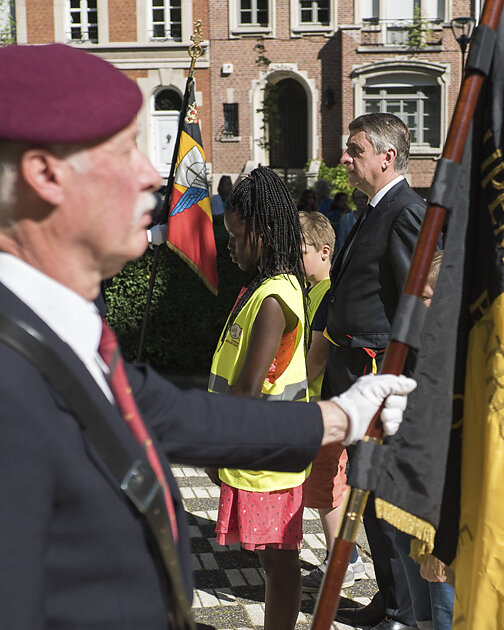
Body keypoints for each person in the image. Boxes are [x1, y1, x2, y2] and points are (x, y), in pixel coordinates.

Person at [0, 43, 417, 629]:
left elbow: (163, 410)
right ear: (46, 176)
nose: (150, 174)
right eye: (123, 152)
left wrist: (342, 416)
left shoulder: (58, 318)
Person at [326, 112, 429, 630]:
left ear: (387, 157)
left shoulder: (406, 211)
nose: (344, 158)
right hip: (355, 375)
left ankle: (405, 611)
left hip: (380, 380)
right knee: (365, 492)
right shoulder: (372, 209)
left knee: (384, 496)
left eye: (355, 150)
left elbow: (418, 306)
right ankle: (389, 598)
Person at [206, 167, 312, 630]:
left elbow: (249, 388)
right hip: (264, 450)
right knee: (274, 559)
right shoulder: (263, 289)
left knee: (279, 561)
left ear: (264, 233)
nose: (229, 245)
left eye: (236, 235)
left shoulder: (274, 297)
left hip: (268, 456)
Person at [298, 211, 365, 593]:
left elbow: (318, 355)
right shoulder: (313, 291)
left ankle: (346, 560)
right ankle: (344, 556)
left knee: (327, 484)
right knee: (326, 484)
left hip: (322, 402)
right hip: (318, 402)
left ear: (325, 251)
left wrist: (293, 390)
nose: (295, 257)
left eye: (302, 250)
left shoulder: (327, 293)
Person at [392, 251, 455, 630]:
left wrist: (442, 546)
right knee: (424, 615)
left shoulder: (462, 364)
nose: (418, 305)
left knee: (444, 606)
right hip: (410, 501)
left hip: (441, 523)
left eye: (427, 297)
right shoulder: (424, 348)